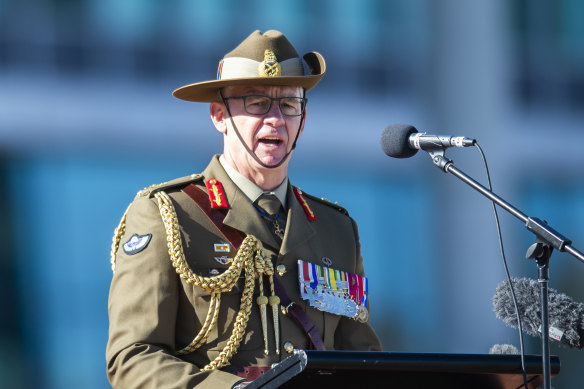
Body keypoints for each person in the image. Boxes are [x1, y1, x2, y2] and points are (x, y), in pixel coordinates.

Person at [106, 29, 381, 389]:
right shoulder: (169, 214)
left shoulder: (336, 229)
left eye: (289, 104)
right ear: (219, 115)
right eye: (256, 103)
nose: (275, 119)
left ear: (303, 118)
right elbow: (132, 358)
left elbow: (362, 359)